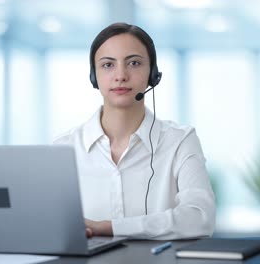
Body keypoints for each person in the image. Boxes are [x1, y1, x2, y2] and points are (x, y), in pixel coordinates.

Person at [54, 22, 215, 240]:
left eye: (134, 63)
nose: (121, 75)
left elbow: (200, 218)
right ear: (94, 76)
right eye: (108, 65)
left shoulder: (180, 140)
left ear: (152, 74)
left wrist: (111, 227)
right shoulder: (65, 148)